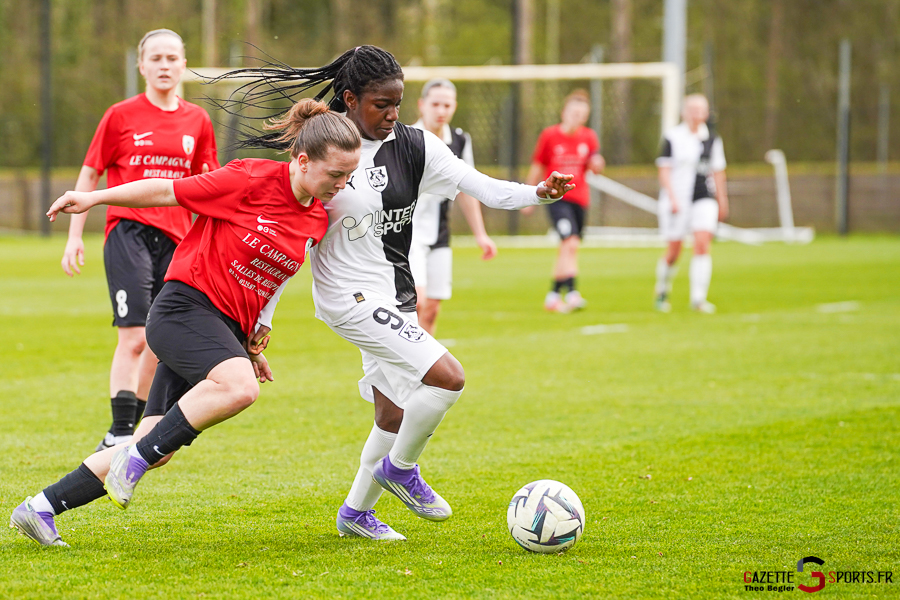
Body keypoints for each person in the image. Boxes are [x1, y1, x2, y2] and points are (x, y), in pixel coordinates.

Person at [214, 46, 574, 541]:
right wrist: (266, 315)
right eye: (381, 104)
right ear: (350, 99)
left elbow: (482, 186)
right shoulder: (322, 151)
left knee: (392, 411)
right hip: (348, 298)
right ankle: (401, 469)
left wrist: (538, 193)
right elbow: (288, 236)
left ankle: (356, 513)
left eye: (397, 103)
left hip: (394, 293)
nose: (392, 114)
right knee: (448, 378)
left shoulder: (417, 146)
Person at [10, 99, 361, 547]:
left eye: (348, 175)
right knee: (239, 389)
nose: (342, 185)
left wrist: (252, 345)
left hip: (223, 329)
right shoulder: (249, 178)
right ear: (303, 159)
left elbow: (275, 278)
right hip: (183, 310)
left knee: (159, 447)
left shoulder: (315, 217)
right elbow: (165, 191)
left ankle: (39, 508)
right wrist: (95, 197)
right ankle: (134, 459)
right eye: (335, 174)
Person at [60, 29, 220, 452]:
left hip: (177, 239)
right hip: (127, 232)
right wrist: (74, 236)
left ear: (184, 64)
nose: (164, 65)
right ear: (141, 66)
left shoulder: (197, 121)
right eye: (156, 58)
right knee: (132, 336)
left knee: (158, 336)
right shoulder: (119, 115)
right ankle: (118, 431)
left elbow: (209, 188)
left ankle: (138, 429)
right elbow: (90, 173)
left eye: (172, 58)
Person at [409, 79, 497, 335]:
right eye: (435, 104)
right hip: (407, 232)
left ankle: (423, 373)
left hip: (439, 232)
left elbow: (467, 190)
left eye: (446, 105)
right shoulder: (407, 137)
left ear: (454, 106)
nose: (441, 110)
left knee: (432, 309)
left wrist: (481, 234)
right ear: (421, 105)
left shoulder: (459, 141)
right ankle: (403, 367)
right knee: (416, 302)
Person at [524, 89, 605, 313]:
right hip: (557, 198)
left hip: (580, 199)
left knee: (570, 246)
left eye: (582, 114)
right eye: (574, 113)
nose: (577, 117)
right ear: (564, 112)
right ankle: (571, 292)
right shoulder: (549, 135)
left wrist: (597, 164)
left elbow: (593, 165)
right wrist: (528, 197)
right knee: (568, 241)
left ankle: (552, 296)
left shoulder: (588, 137)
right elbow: (538, 165)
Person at [653, 94, 729, 313]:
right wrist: (672, 198)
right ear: (683, 112)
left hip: (704, 197)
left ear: (706, 113)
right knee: (674, 250)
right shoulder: (673, 137)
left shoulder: (713, 139)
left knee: (702, 244)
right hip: (677, 199)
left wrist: (722, 199)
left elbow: (718, 171)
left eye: (700, 109)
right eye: (692, 109)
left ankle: (698, 299)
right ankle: (662, 290)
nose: (696, 114)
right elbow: (664, 171)